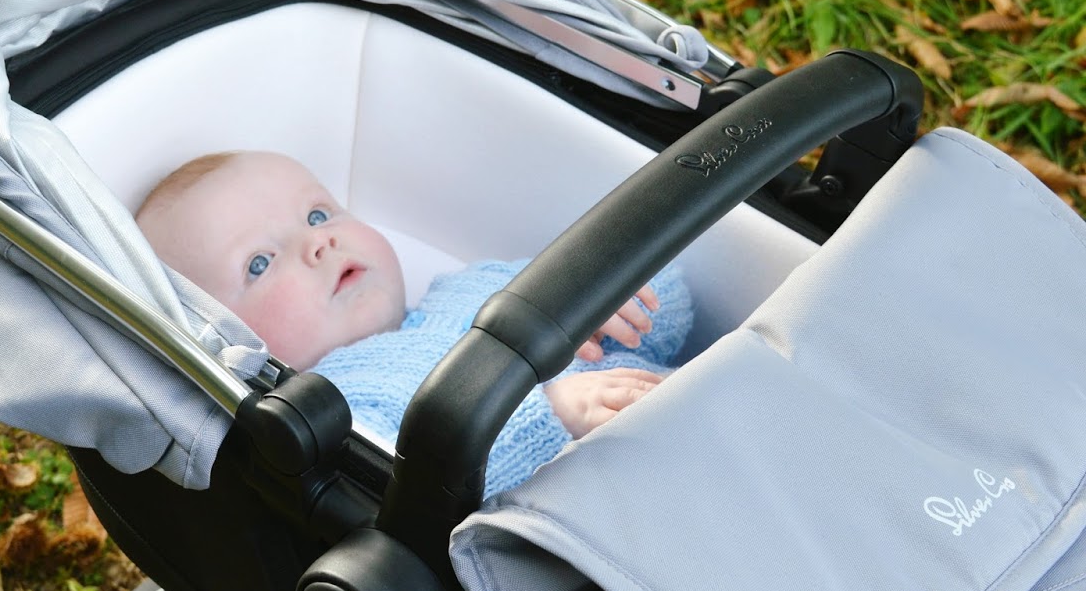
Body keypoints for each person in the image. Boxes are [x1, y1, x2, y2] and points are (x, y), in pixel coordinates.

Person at [135, 151, 691, 494]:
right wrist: (551, 418)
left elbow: (673, 316)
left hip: (703, 417)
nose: (317, 242)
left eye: (318, 214)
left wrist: (610, 290)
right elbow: (421, 503)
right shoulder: (337, 407)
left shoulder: (481, 285)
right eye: (259, 262)